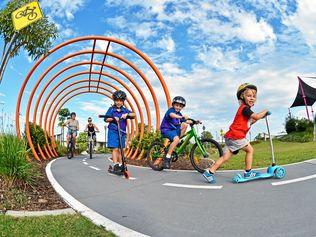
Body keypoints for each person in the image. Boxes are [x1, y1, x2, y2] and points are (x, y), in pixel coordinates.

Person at [202, 83, 269, 183]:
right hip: (236, 136)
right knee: (250, 150)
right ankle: (248, 172)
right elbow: (256, 117)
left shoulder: (246, 111)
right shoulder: (244, 109)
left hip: (231, 137)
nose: (252, 98)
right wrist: (265, 111)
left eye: (254, 96)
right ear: (242, 96)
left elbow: (251, 121)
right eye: (249, 95)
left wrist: (262, 116)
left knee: (225, 156)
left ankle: (209, 172)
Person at [104, 90, 135, 172]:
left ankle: (121, 164)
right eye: (117, 100)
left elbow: (133, 114)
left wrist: (127, 115)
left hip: (122, 132)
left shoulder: (124, 110)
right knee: (115, 148)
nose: (119, 102)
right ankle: (115, 165)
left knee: (122, 149)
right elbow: (106, 119)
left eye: (120, 100)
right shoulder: (111, 109)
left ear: (123, 101)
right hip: (113, 131)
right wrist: (113, 118)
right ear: (114, 101)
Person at [160, 96, 193, 169]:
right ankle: (167, 158)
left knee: (185, 124)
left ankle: (177, 141)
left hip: (174, 131)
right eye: (177, 105)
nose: (178, 107)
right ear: (173, 105)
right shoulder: (170, 110)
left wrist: (194, 121)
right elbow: (172, 115)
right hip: (166, 130)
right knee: (177, 139)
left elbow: (185, 121)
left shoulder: (180, 114)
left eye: (180, 106)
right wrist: (181, 117)